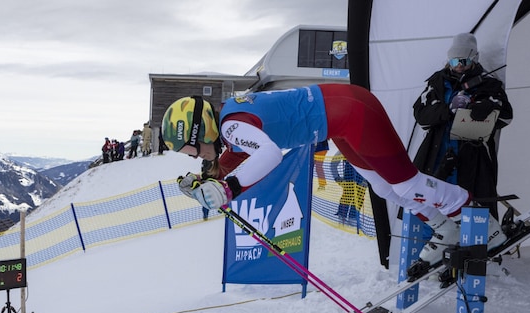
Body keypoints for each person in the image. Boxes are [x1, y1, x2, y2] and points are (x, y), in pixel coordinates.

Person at [161, 85, 508, 272]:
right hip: (342, 120)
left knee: (406, 183)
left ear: (198, 131)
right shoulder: (232, 128)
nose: (190, 156)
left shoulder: (232, 125)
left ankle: (479, 218)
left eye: (187, 149)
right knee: (384, 187)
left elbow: (267, 155)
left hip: (353, 114)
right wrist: (208, 185)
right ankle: (445, 227)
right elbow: (231, 164)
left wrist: (225, 188)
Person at [412, 32, 513, 219]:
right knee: (432, 207)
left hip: (473, 157)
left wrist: (488, 108)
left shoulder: (489, 84)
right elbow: (420, 115)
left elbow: (506, 116)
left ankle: (474, 245)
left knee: (473, 208)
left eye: (464, 61)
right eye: (454, 61)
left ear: (474, 59)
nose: (459, 66)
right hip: (437, 154)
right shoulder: (437, 83)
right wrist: (447, 109)